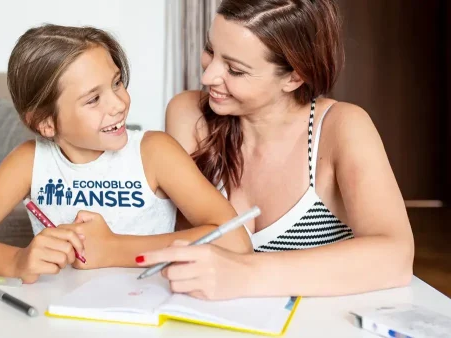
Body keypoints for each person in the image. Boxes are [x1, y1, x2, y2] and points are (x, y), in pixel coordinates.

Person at [136, 0, 414, 300]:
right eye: (210, 50)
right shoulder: (189, 114)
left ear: (294, 77)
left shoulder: (341, 127)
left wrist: (245, 274)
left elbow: (395, 258)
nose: (208, 77)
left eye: (235, 70)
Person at [0, 24, 251, 284]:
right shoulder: (29, 162)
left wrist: (114, 250)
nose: (118, 103)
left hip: (146, 302)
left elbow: (235, 240)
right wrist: (17, 261)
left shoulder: (154, 153)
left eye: (116, 83)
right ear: (45, 122)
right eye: (93, 99)